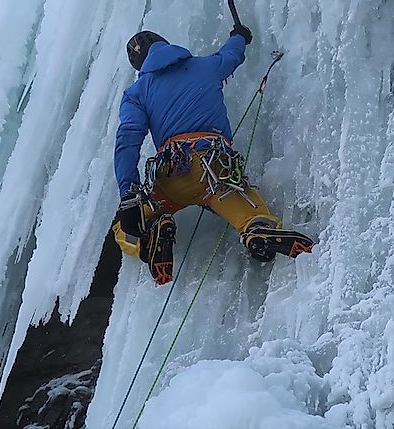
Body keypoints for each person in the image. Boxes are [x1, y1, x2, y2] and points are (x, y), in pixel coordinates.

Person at [111, 23, 314, 285]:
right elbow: (230, 56)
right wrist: (239, 36)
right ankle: (257, 234)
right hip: (215, 170)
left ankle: (150, 239)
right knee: (252, 215)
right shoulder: (205, 66)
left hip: (171, 177)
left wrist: (129, 194)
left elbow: (127, 138)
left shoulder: (137, 92)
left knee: (124, 228)